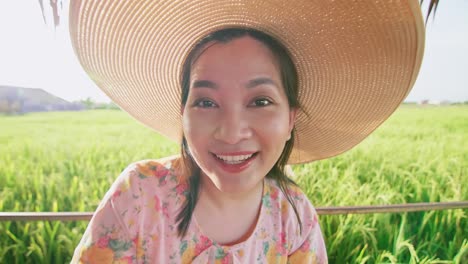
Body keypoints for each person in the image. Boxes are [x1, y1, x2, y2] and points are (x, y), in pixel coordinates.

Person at [69, 0, 425, 263]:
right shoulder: (141, 195)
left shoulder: (293, 216)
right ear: (183, 116)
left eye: (260, 101)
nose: (232, 132)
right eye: (206, 103)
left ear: (290, 120)